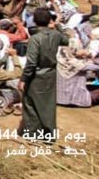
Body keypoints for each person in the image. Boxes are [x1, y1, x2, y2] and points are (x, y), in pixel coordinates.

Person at [18, 8, 70, 142]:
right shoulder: (56, 35)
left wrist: (24, 79)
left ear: (34, 21)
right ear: (49, 21)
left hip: (36, 75)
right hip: (51, 73)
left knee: (30, 103)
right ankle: (49, 134)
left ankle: (32, 133)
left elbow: (31, 63)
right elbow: (67, 40)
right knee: (48, 103)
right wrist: (57, 25)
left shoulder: (35, 39)